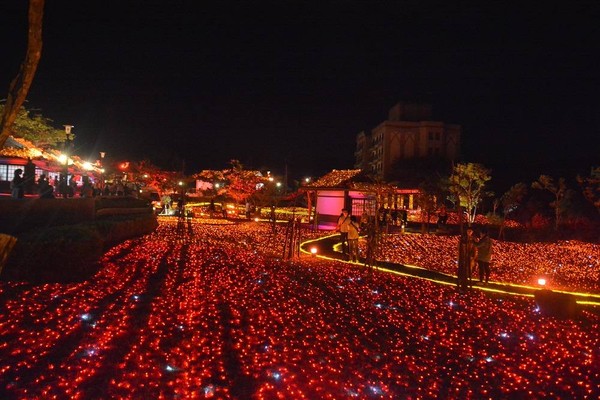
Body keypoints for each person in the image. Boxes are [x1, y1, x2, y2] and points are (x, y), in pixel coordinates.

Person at [457, 226, 476, 291]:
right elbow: (460, 247)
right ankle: (462, 281)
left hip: (469, 257)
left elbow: (474, 249)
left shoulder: (473, 239)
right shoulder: (463, 238)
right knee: (462, 269)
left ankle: (467, 281)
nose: (469, 232)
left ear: (472, 232)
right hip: (463, 257)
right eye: (468, 231)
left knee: (468, 270)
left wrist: (473, 256)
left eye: (470, 231)